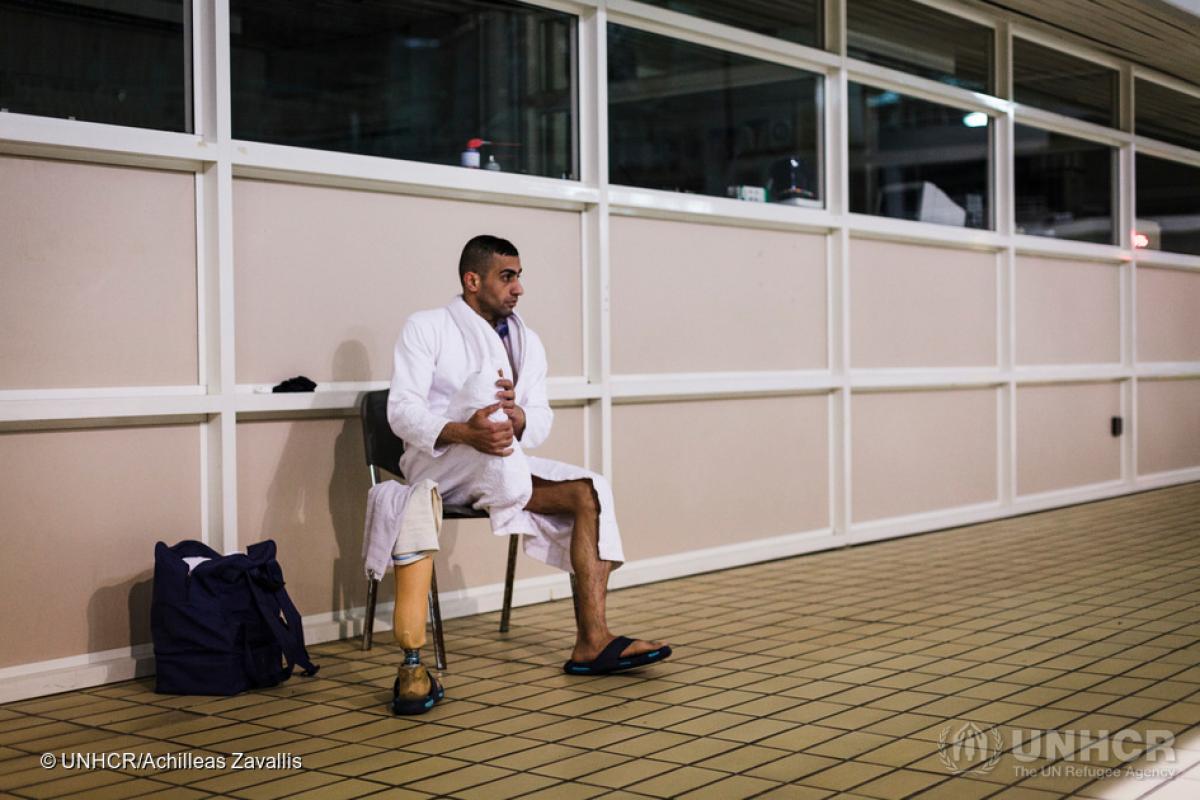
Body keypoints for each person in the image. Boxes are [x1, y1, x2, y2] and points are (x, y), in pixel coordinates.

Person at [387, 235, 670, 703]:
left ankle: (592, 641)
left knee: (588, 491)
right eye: (507, 276)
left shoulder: (526, 342)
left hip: (499, 461)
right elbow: (400, 412)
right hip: (438, 464)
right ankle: (494, 444)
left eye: (519, 277)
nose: (518, 288)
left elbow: (540, 418)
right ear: (472, 280)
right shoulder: (427, 327)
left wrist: (516, 419)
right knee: (483, 392)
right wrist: (465, 430)